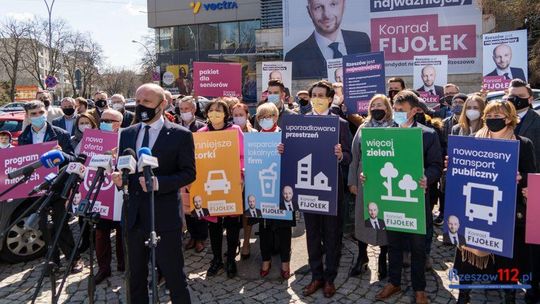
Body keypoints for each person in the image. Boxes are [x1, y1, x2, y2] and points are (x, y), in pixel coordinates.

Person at [112, 83, 195, 304]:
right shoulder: (128, 133)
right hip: (133, 217)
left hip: (164, 217)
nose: (141, 107)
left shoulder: (180, 135)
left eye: (146, 102)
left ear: (163, 104)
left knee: (175, 276)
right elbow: (124, 167)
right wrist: (120, 180)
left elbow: (189, 173)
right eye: (138, 102)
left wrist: (159, 183)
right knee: (135, 277)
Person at [453, 100, 536, 304]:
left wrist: (520, 178)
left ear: (509, 119)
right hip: (475, 206)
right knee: (467, 253)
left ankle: (509, 294)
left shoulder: (523, 143)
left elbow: (531, 175)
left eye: (497, 116)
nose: (492, 120)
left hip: (507, 208)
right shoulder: (473, 140)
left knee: (508, 255)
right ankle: (464, 293)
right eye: (488, 116)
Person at [282, 80, 350, 298]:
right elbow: (293, 152)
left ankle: (330, 277)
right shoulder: (300, 122)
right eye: (314, 95)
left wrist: (341, 155)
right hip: (307, 188)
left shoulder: (340, 123)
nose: (318, 99)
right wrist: (283, 149)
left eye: (322, 95)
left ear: (330, 98)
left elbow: (349, 156)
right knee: (312, 234)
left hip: (331, 190)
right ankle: (316, 276)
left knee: (332, 235)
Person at [374, 90, 442, 304]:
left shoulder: (428, 134)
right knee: (393, 244)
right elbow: (376, 163)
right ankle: (394, 282)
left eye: (401, 110)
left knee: (417, 247)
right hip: (391, 198)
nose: (397, 113)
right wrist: (368, 174)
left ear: (415, 111)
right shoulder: (385, 133)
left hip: (416, 201)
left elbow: (436, 166)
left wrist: (427, 178)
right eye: (395, 109)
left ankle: (419, 288)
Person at [18, 100, 83, 273]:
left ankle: (73, 258)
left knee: (61, 222)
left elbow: (72, 159)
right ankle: (52, 260)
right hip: (37, 187)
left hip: (57, 184)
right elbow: (21, 161)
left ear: (46, 112)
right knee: (43, 225)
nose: (38, 116)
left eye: (41, 112)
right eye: (34, 114)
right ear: (28, 116)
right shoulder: (23, 136)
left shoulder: (60, 133)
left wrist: (61, 154)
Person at [197, 98, 244, 278]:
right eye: (211, 110)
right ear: (206, 113)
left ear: (226, 114)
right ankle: (216, 259)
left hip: (231, 184)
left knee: (232, 224)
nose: (214, 114)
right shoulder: (201, 133)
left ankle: (231, 258)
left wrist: (240, 175)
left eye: (219, 110)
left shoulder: (235, 130)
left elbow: (243, 155)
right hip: (208, 186)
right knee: (214, 226)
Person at [348, 94, 392, 279]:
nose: (376, 108)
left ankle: (383, 258)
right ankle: (362, 256)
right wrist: (352, 181)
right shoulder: (363, 128)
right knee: (362, 218)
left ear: (387, 108)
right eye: (373, 105)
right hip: (364, 181)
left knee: (385, 221)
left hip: (386, 182)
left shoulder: (394, 128)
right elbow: (354, 156)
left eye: (380, 105)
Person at [255, 102, 295, 280]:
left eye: (268, 116)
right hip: (262, 190)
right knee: (264, 227)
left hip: (283, 190)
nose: (265, 120)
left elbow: (295, 161)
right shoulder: (254, 138)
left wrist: (286, 152)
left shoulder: (284, 136)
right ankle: (266, 260)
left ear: (276, 117)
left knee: (283, 227)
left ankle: (285, 261)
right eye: (261, 117)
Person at [285, 0, 371, 78]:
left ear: (343, 4)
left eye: (333, 4)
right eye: (318, 7)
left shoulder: (362, 40)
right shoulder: (295, 57)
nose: (326, 15)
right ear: (309, 11)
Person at [94, 109, 125, 285]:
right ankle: (103, 268)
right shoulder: (94, 138)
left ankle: (123, 263)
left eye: (108, 120)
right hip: (101, 192)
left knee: (122, 232)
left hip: (120, 192)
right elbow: (82, 158)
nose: (104, 122)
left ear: (118, 123)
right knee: (101, 233)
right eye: (102, 119)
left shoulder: (127, 136)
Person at [434, 93, 469, 227]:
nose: (457, 105)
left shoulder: (471, 122)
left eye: (460, 102)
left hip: (464, 164)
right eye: (454, 102)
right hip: (447, 161)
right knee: (444, 189)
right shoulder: (445, 122)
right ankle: (443, 213)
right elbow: (440, 143)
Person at [70, 112, 97, 253]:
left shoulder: (101, 137)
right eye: (81, 123)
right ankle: (85, 240)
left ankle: (97, 240)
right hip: (80, 180)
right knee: (82, 213)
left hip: (97, 180)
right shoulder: (73, 140)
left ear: (93, 124)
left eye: (87, 122)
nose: (85, 125)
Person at [507, 78, 540, 163]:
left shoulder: (537, 120)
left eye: (521, 96)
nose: (516, 99)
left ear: (530, 99)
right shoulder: (499, 118)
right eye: (512, 96)